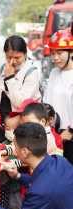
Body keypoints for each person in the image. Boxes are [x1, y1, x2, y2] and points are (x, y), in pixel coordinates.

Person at [43, 25, 73, 164]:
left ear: (71, 52)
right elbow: (47, 101)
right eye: (53, 53)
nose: (55, 58)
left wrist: (70, 132)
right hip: (54, 134)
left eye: (59, 53)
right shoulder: (54, 73)